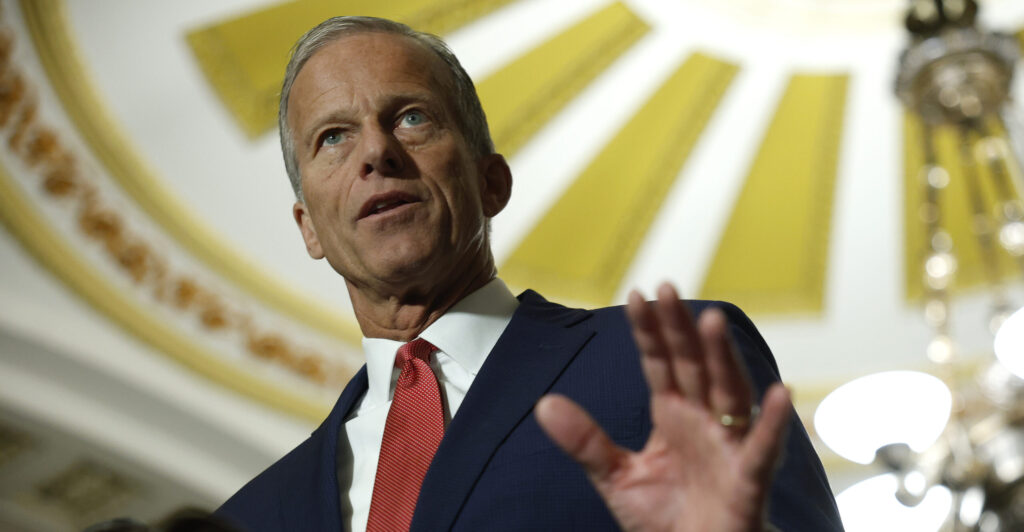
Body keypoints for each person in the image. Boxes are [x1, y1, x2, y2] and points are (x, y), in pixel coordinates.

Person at [216, 16, 844, 532]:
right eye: (332, 137)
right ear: (309, 228)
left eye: (411, 117)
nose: (377, 152)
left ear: (492, 182)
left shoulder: (668, 362)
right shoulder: (249, 518)